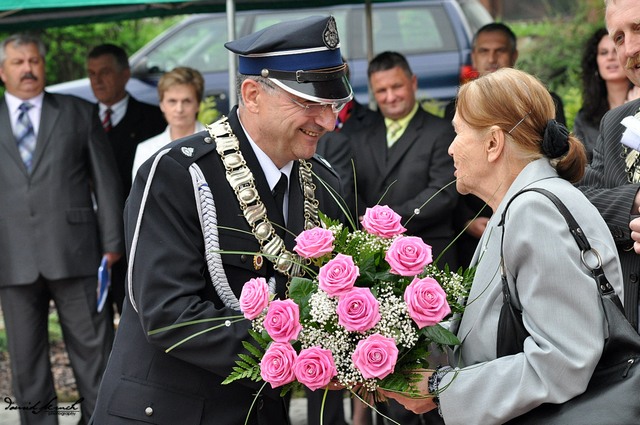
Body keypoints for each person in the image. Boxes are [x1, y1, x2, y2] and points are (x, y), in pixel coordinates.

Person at [90, 15, 353, 425]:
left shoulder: (324, 181)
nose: (327, 121)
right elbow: (166, 312)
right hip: (169, 413)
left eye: (332, 104)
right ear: (252, 94)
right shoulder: (179, 173)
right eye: (308, 103)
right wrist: (296, 352)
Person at [383, 67, 624, 424]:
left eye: (458, 133)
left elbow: (564, 360)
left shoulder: (535, 211)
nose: (450, 148)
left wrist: (440, 388)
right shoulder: (518, 206)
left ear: (493, 143)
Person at [0, 33, 124, 424]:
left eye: (34, 61)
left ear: (44, 66)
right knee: (27, 365)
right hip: (10, 257)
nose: (27, 69)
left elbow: (105, 181)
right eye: (18, 62)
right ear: (2, 71)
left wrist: (112, 242)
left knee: (95, 356)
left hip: (77, 253)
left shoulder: (77, 111)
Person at [349, 50, 458, 425]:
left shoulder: (441, 131)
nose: (391, 96)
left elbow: (442, 193)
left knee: (434, 370)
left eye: (397, 86)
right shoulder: (359, 137)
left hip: (431, 266)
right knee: (390, 373)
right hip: (380, 272)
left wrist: (387, 220)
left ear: (413, 83)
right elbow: (351, 192)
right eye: (381, 91)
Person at [449, 22, 567, 269]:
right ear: (473, 56)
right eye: (484, 51)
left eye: (499, 51)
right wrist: (466, 220)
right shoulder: (458, 105)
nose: (492, 58)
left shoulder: (535, 208)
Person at [87, 43, 165, 317]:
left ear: (125, 74)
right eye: (91, 73)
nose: (97, 80)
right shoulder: (80, 119)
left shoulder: (154, 120)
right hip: (90, 235)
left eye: (105, 72)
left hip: (137, 234)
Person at [581, 0, 640, 332]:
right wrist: (633, 200)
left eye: (639, 28)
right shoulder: (616, 121)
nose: (629, 49)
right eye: (619, 37)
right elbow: (582, 199)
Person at [573, 27, 637, 162]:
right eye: (603, 53)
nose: (610, 57)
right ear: (595, 63)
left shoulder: (638, 106)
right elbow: (582, 167)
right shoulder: (585, 118)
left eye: (615, 51)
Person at [131, 66, 206, 179]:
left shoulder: (217, 143)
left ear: (198, 105)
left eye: (186, 101)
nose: (179, 109)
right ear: (162, 105)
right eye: (172, 101)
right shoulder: (146, 150)